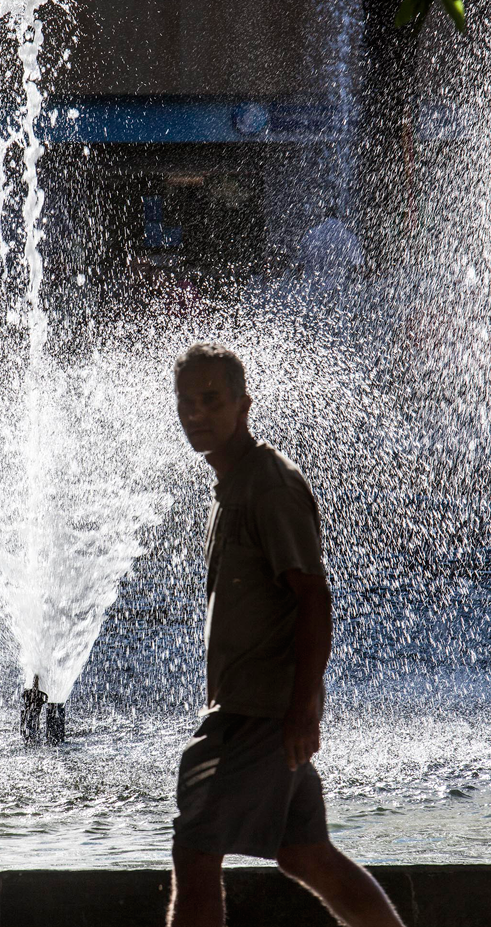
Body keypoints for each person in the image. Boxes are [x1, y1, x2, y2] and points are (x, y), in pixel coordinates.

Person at [168, 343, 406, 927]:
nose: (197, 414)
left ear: (244, 405)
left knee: (195, 850)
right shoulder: (237, 485)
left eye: (211, 400)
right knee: (305, 854)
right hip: (264, 711)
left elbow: (314, 599)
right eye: (186, 402)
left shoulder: (269, 489)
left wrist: (302, 710)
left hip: (258, 715)